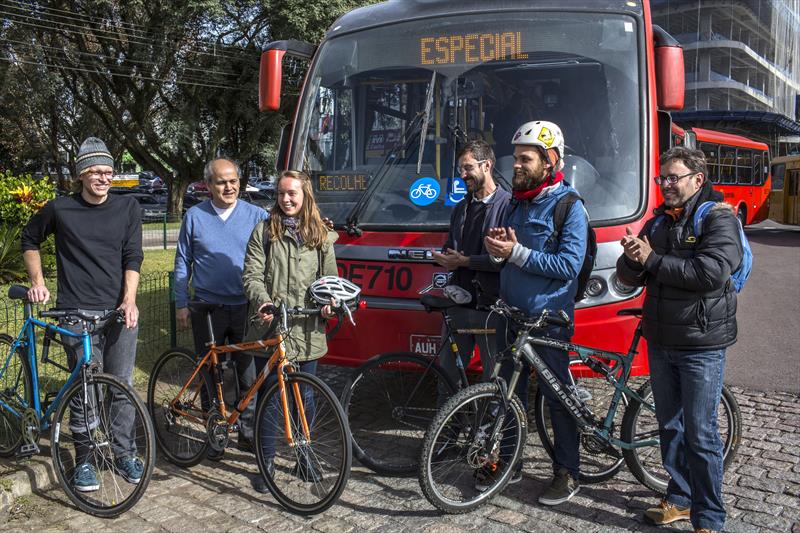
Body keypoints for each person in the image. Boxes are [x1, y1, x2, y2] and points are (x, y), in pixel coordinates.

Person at [616, 147, 742, 533]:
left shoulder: (718, 218)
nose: (666, 185)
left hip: (701, 342)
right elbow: (629, 277)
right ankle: (679, 498)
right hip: (661, 337)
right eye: (662, 178)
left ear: (697, 180)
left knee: (701, 431)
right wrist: (633, 259)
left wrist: (652, 260)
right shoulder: (657, 222)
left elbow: (712, 273)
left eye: (673, 178)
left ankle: (710, 518)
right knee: (671, 425)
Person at [20, 137, 145, 491]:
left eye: (108, 171)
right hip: (75, 313)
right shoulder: (61, 208)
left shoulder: (128, 208)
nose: (104, 178)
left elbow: (132, 257)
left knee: (121, 386)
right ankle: (86, 459)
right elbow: (29, 240)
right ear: (81, 175)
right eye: (96, 171)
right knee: (86, 389)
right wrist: (38, 281)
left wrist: (130, 300)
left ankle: (125, 453)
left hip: (119, 313)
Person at [484, 121, 588, 505]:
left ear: (550, 160)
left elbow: (568, 266)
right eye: (515, 158)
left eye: (525, 158)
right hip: (511, 317)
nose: (516, 165)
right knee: (504, 394)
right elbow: (511, 261)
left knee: (557, 398)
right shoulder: (516, 202)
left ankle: (567, 472)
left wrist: (516, 253)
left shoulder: (569, 206)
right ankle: (509, 464)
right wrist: (499, 254)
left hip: (548, 322)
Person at [241, 170, 338, 492]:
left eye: (292, 193)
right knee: (271, 396)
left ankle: (304, 455)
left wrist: (329, 304)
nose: (286, 199)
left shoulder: (321, 235)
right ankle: (266, 462)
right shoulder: (264, 231)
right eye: (281, 193)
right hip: (271, 327)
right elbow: (252, 274)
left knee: (305, 396)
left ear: (305, 195)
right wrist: (263, 300)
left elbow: (329, 281)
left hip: (307, 328)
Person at [173, 158, 268, 458]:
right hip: (206, 308)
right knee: (210, 374)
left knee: (247, 375)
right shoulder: (194, 216)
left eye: (233, 181)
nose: (229, 187)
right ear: (208, 185)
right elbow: (181, 261)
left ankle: (247, 432)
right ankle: (215, 432)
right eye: (221, 182)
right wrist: (181, 303)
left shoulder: (256, 215)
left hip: (245, 307)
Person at [432, 140, 511, 395]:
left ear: (486, 165)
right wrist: (444, 257)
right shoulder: (461, 208)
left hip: (490, 308)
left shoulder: (508, 207)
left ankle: (489, 431)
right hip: (458, 304)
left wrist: (465, 262)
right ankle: (447, 431)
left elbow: (506, 260)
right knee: (448, 376)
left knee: (493, 380)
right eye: (459, 169)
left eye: (467, 168)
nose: (462, 175)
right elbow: (451, 246)